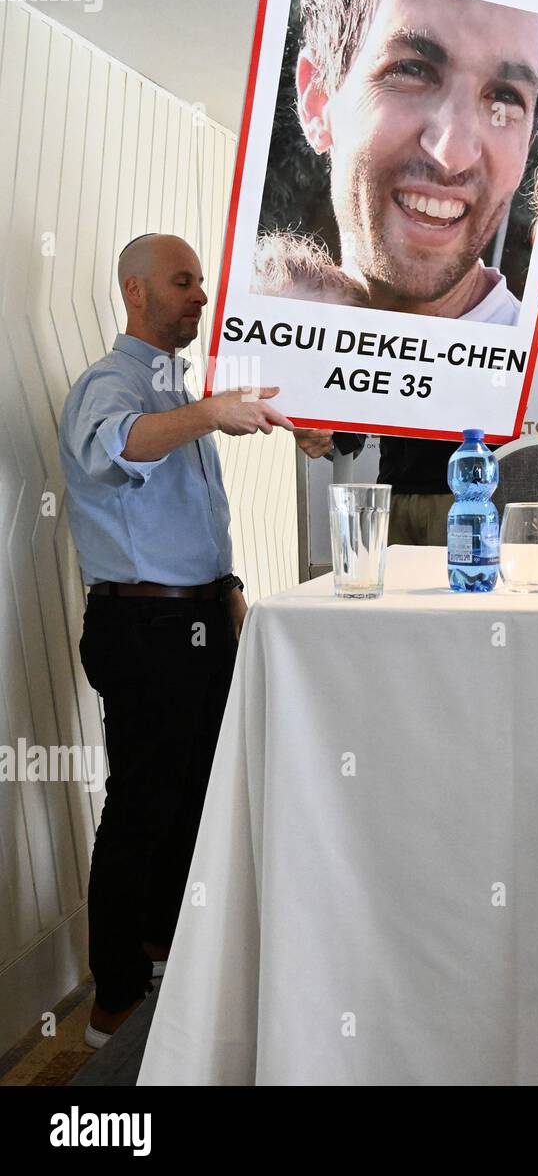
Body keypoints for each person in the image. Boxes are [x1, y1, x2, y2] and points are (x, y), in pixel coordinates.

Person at [58, 233, 293, 1048]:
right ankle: (112, 1002)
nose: (199, 295)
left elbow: (190, 522)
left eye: (200, 282)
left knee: (196, 801)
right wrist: (211, 412)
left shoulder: (178, 390)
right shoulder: (110, 385)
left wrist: (226, 591)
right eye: (182, 281)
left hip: (199, 619)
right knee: (142, 806)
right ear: (135, 291)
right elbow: (116, 445)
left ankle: (163, 968)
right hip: (143, 628)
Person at [286, 0, 538, 543]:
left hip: (483, 502)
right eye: (411, 70)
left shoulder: (507, 303)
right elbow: (343, 433)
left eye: (505, 98)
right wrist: (315, 429)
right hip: (396, 502)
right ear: (318, 100)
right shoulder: (312, 311)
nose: (452, 151)